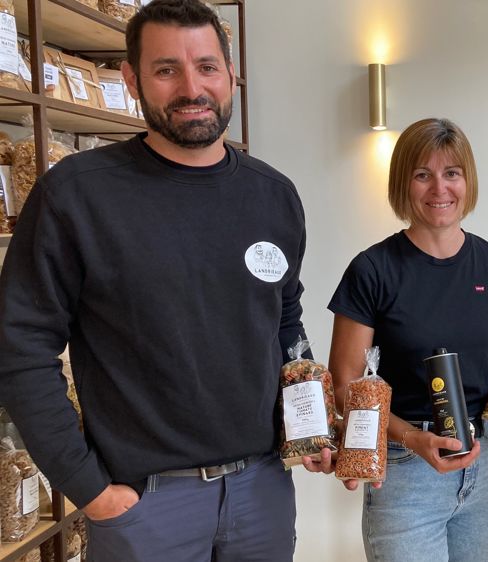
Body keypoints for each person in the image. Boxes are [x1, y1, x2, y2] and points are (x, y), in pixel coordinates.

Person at [0, 1, 309, 560]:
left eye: (207, 67)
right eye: (167, 69)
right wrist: (87, 487)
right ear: (131, 79)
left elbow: (285, 322)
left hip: (262, 491)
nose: (192, 88)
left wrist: (309, 423)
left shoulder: (274, 195)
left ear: (232, 75)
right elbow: (20, 346)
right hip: (145, 503)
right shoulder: (77, 194)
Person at [313, 118, 488, 561]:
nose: (439, 189)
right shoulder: (372, 270)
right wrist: (412, 439)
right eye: (422, 175)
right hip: (406, 471)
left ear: (467, 181)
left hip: (487, 463)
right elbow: (345, 385)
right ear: (402, 184)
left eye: (452, 173)